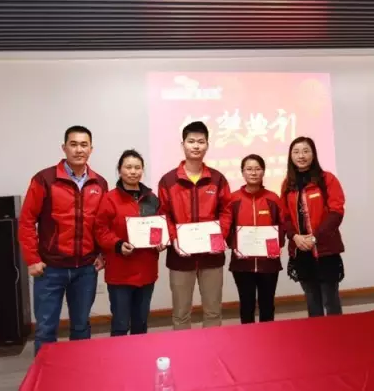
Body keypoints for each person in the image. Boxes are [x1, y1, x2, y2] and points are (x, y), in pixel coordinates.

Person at [18, 126, 108, 355]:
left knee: (81, 326)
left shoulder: (99, 183)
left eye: (84, 145)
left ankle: (78, 372)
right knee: (46, 329)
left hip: (85, 269)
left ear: (91, 149)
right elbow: (27, 221)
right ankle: (45, 375)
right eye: (73, 144)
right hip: (50, 269)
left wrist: (102, 253)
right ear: (64, 147)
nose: (79, 149)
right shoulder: (45, 179)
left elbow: (102, 224)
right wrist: (32, 259)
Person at [158, 121, 231, 330]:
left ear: (207, 145)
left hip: (211, 256)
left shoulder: (217, 179)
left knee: (213, 311)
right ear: (183, 145)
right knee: (181, 313)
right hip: (180, 256)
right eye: (191, 141)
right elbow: (164, 214)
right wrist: (174, 238)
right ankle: (184, 350)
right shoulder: (168, 180)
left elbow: (226, 211)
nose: (196, 146)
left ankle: (213, 349)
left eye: (201, 141)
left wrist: (220, 235)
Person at [94, 149, 166, 337]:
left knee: (140, 323)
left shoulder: (152, 198)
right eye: (128, 167)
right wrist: (118, 245)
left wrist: (161, 241)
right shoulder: (109, 198)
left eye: (137, 167)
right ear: (120, 170)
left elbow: (160, 226)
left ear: (142, 170)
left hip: (146, 270)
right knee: (120, 323)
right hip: (120, 272)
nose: (133, 171)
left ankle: (139, 355)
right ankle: (119, 355)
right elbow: (100, 230)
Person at [281, 136, 346, 317]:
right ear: (291, 156)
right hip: (301, 249)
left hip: (325, 248)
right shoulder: (288, 184)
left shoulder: (327, 179)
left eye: (305, 151)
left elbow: (336, 211)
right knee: (312, 298)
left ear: (313, 154)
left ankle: (336, 332)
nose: (301, 156)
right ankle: (316, 333)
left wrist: (315, 237)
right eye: (296, 152)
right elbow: (284, 216)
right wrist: (295, 237)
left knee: (330, 298)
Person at [220, 154, 285, 324]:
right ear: (242, 172)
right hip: (242, 263)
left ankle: (268, 337)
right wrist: (232, 244)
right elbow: (226, 225)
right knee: (246, 305)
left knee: (267, 305)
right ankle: (247, 338)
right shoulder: (233, 199)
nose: (253, 173)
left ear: (264, 171)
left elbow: (283, 225)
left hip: (268, 263)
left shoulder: (273, 198)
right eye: (249, 169)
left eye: (257, 169)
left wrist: (278, 244)